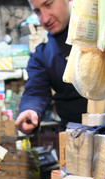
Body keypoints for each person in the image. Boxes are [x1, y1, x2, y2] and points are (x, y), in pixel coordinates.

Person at [15, 0, 87, 134]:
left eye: (48, 4)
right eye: (37, 11)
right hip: (77, 136)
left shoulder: (98, 31)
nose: (45, 18)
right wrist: (30, 110)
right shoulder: (42, 54)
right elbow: (36, 91)